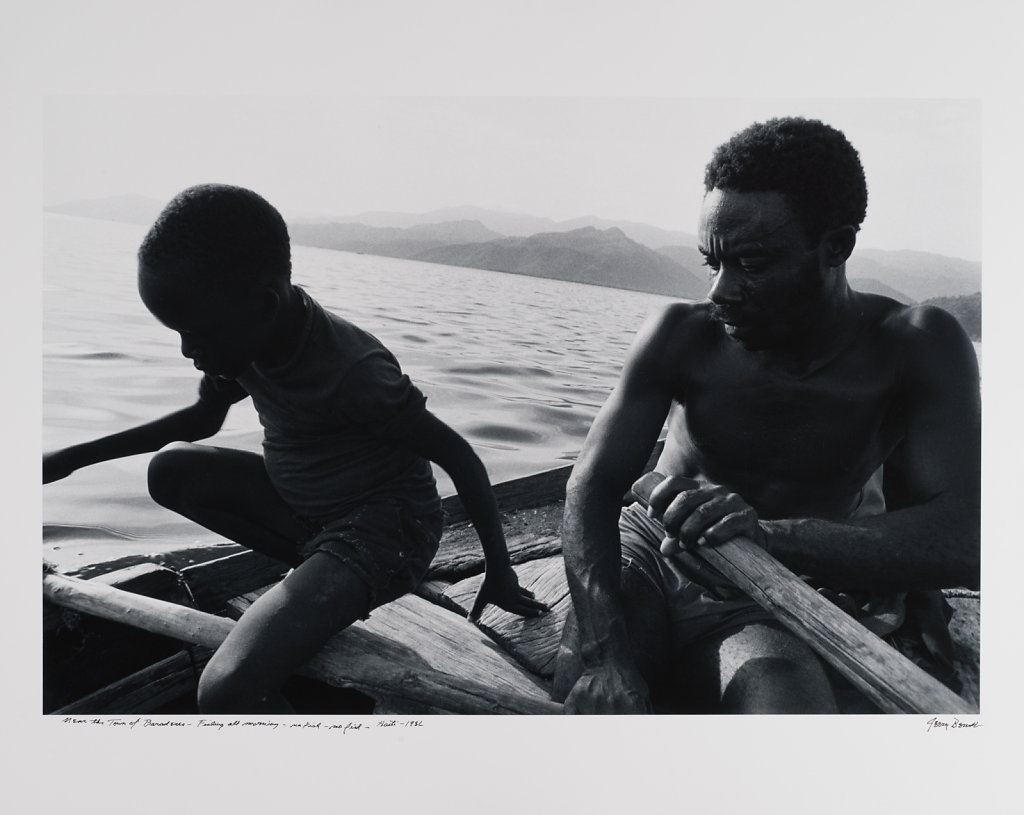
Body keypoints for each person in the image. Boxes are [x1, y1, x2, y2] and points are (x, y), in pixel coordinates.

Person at [43, 184, 547, 713]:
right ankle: (318, 574)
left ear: (263, 305)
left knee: (226, 689)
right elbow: (200, 421)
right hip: (313, 514)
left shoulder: (352, 373)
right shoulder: (245, 339)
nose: (189, 351)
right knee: (171, 470)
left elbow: (460, 456)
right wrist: (69, 459)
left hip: (388, 532)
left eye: (194, 332)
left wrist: (499, 568)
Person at [552, 117, 981, 714]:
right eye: (712, 263)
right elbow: (591, 484)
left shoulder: (914, 344)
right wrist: (604, 652)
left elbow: (967, 533)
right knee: (595, 695)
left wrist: (771, 538)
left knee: (785, 710)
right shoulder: (683, 334)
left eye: (751, 264)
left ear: (836, 247)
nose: (719, 291)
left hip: (770, 585)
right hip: (651, 552)